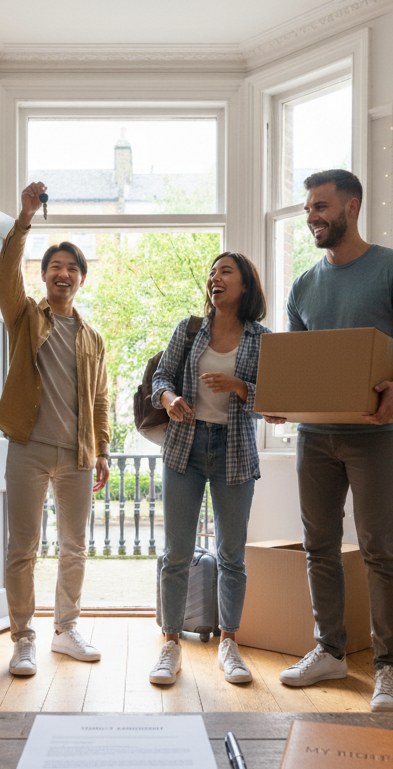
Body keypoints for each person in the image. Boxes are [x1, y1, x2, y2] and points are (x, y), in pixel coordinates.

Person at [274, 169, 393, 711]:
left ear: (352, 206)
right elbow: (298, 367)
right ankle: (330, 651)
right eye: (307, 209)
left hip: (373, 436)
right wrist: (282, 402)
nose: (312, 216)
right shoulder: (303, 284)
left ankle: (391, 667)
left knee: (379, 549)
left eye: (321, 206)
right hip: (314, 438)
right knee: (318, 547)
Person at [0, 182, 111, 677]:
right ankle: (23, 638)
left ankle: (66, 631)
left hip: (78, 455)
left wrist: (102, 450)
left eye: (71, 268)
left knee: (74, 547)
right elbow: (4, 273)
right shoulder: (24, 317)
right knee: (22, 548)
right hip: (29, 447)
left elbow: (102, 399)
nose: (63, 274)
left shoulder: (93, 336)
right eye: (54, 267)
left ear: (81, 279)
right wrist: (23, 220)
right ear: (43, 277)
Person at [149, 252, 273, 686]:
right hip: (186, 446)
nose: (214, 278)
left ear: (244, 286)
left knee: (231, 555)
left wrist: (241, 387)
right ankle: (169, 644)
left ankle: (229, 644)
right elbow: (161, 378)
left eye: (225, 272)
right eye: (212, 272)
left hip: (235, 451)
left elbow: (273, 403)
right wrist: (170, 400)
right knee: (176, 553)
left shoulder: (261, 338)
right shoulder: (190, 329)